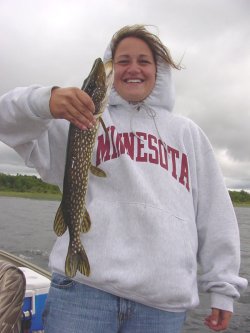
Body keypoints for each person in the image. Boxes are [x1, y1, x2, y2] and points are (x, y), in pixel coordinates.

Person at [0, 25, 247, 333]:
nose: (133, 68)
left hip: (161, 306)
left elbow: (215, 212)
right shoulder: (76, 120)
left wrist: (222, 286)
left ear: (159, 72)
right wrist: (44, 101)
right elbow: (5, 119)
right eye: (123, 60)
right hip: (84, 293)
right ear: (112, 68)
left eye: (144, 61)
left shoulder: (188, 134)